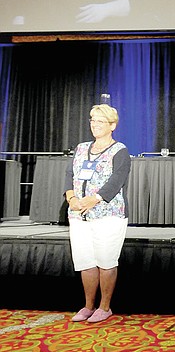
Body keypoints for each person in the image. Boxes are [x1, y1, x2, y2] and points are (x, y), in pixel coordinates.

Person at [64, 104, 131, 323]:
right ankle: (88, 306)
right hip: (79, 215)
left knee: (106, 260)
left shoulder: (119, 150)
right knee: (85, 261)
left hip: (107, 215)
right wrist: (71, 198)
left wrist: (94, 199)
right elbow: (70, 175)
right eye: (92, 120)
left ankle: (105, 307)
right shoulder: (82, 148)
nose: (95, 125)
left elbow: (116, 181)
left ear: (112, 125)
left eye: (100, 121)